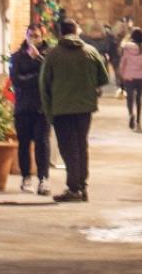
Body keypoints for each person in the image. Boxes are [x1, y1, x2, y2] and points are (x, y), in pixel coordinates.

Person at [39, 18, 110, 202]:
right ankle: (82, 186)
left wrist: (48, 110)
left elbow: (44, 84)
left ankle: (73, 188)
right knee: (81, 145)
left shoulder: (53, 55)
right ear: (76, 31)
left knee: (68, 148)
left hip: (61, 108)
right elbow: (103, 78)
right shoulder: (90, 51)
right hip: (85, 108)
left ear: (60, 33)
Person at [8, 31, 52, 195]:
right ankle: (26, 177)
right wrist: (37, 78)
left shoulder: (48, 55)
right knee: (24, 143)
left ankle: (43, 179)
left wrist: (38, 59)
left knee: (42, 143)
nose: (33, 38)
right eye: (31, 35)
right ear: (26, 36)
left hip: (42, 107)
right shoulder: (17, 56)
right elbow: (16, 80)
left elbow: (50, 76)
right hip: (23, 107)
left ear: (42, 36)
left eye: (37, 35)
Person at [117, 28, 142, 130]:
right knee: (138, 99)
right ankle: (138, 121)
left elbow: (123, 63)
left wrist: (121, 74)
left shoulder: (126, 48)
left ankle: (131, 114)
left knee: (130, 97)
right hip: (141, 77)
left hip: (129, 76)